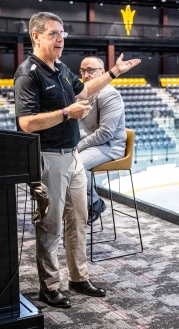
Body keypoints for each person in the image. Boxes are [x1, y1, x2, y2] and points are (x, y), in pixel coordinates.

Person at [14, 12, 140, 309]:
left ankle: (78, 277)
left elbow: (83, 90)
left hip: (71, 156)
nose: (60, 40)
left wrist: (113, 73)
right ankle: (49, 285)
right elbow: (27, 123)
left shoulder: (58, 67)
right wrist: (65, 114)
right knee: (51, 225)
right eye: (54, 34)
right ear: (36, 36)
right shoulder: (28, 73)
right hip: (48, 159)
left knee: (79, 220)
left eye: (62, 34)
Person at [77, 56, 127, 223]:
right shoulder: (82, 94)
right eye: (83, 71)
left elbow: (105, 133)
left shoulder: (109, 95)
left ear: (103, 72)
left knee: (77, 164)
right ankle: (69, 204)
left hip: (110, 146)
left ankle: (94, 203)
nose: (86, 74)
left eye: (91, 70)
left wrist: (78, 146)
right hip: (91, 144)